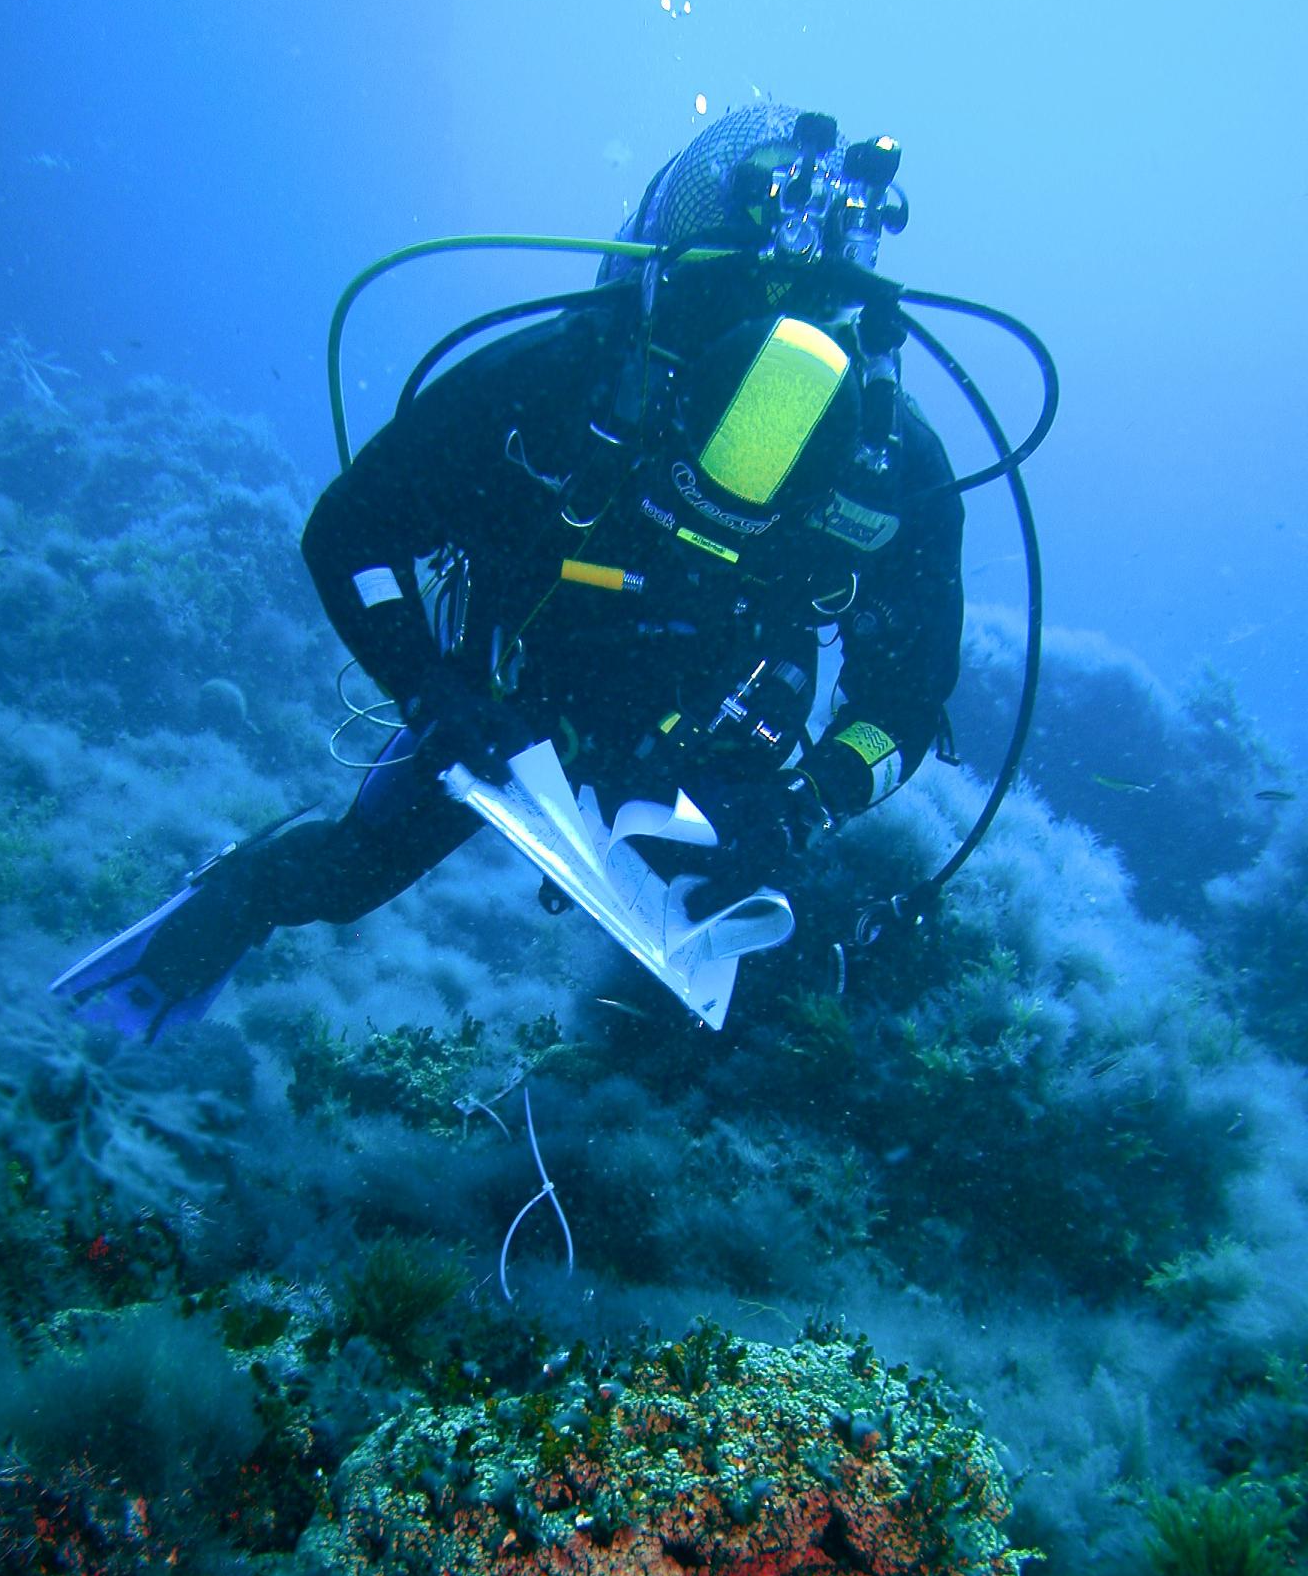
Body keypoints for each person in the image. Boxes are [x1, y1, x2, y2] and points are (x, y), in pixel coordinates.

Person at [53, 105, 964, 1041]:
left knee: (763, 988)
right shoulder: (562, 383)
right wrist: (429, 687)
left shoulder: (891, 477)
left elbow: (906, 694)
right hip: (501, 706)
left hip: (716, 759)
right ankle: (229, 902)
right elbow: (353, 534)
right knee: (348, 876)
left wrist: (807, 800)